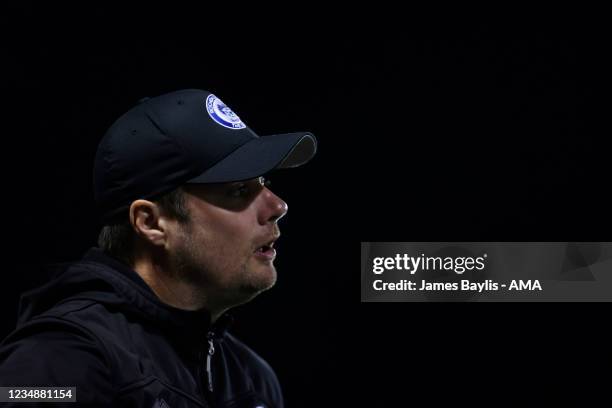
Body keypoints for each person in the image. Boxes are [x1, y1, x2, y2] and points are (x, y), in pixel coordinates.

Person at [0, 89, 317, 407]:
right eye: (238, 190)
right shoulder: (56, 360)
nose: (278, 205)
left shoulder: (251, 377)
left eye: (265, 183)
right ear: (151, 223)